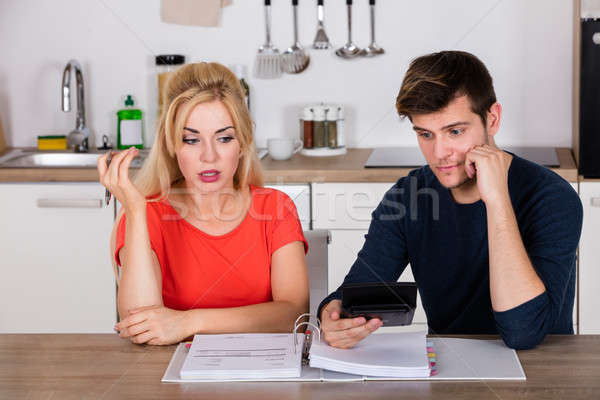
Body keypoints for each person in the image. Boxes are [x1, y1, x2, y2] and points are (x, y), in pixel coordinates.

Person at [319, 51, 583, 350]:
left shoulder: (552, 198)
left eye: (455, 131)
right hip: (452, 365)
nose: (439, 152)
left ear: (492, 118)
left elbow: (523, 333)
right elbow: (356, 291)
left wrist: (497, 201)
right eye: (425, 134)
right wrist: (333, 314)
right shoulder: (408, 197)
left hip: (544, 369)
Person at [98, 62, 309, 346]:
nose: (209, 156)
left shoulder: (276, 208)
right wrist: (135, 211)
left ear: (243, 142)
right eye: (191, 139)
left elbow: (294, 316)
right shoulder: (146, 214)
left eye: (224, 138)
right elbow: (140, 326)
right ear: (172, 145)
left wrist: (188, 321)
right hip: (170, 381)